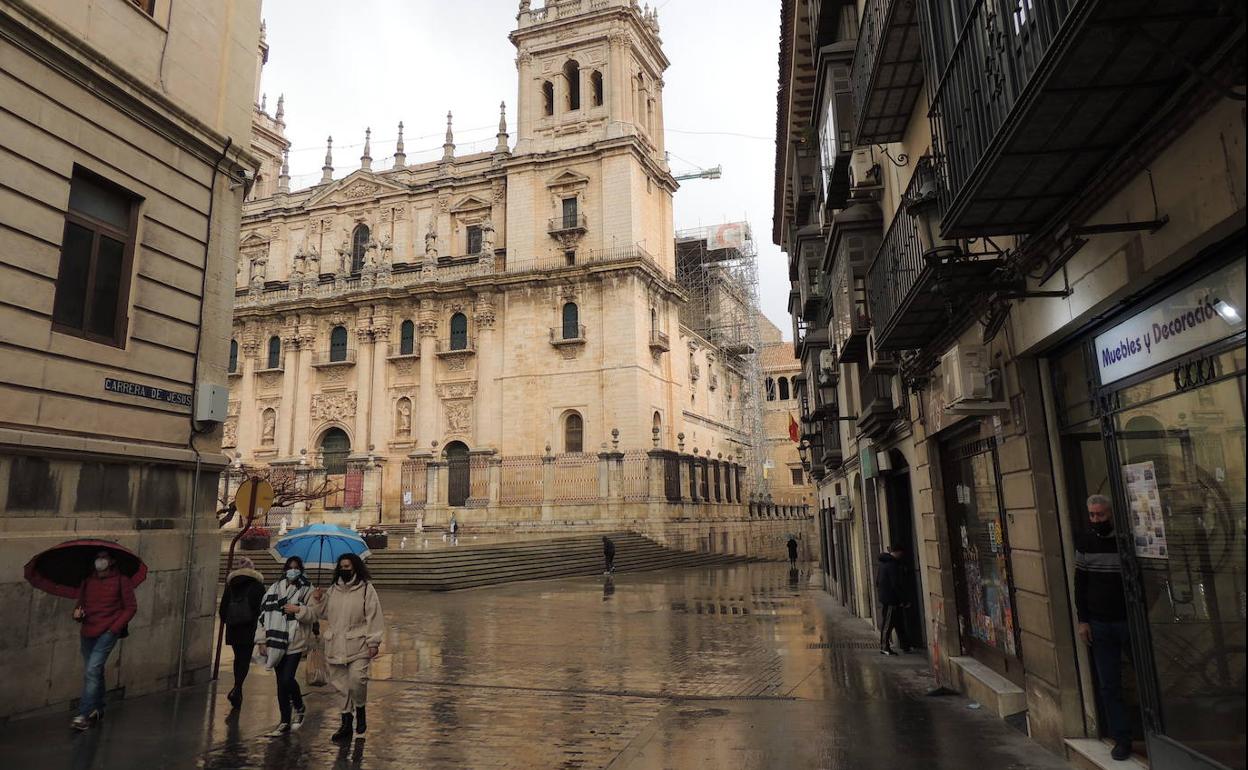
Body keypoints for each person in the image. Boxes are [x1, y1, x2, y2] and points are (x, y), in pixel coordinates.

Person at [302, 553, 384, 743]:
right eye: (342, 566)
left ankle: (361, 711)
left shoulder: (366, 589)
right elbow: (318, 613)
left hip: (359, 643)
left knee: (357, 680)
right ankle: (346, 722)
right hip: (334, 644)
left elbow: (374, 615)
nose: (344, 569)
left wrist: (374, 641)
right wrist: (317, 598)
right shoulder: (332, 590)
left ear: (355, 567)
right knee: (340, 687)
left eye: (348, 566)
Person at [1075, 494, 1133, 761]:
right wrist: (1083, 620)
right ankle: (1122, 739)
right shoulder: (1086, 543)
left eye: (1101, 515)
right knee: (1109, 684)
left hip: (1129, 621)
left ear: (1111, 513)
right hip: (1099, 623)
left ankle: (1159, 730)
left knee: (1144, 677)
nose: (1096, 520)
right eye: (1092, 516)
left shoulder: (1125, 541)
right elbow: (1080, 584)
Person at [70, 550, 137, 730]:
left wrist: (114, 628)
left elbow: (130, 607)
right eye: (97, 557)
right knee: (94, 671)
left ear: (111, 561)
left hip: (108, 631)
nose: (100, 561)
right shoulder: (88, 581)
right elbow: (80, 605)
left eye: (104, 557)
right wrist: (77, 615)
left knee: (92, 670)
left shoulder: (122, 581)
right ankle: (98, 708)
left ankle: (83, 714)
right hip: (88, 630)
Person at [255, 556, 315, 736]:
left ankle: (299, 705)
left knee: (287, 678)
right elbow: (263, 614)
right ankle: (284, 721)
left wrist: (298, 610)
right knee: (280, 683)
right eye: (290, 567)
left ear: (301, 570)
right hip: (275, 640)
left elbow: (313, 615)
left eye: (296, 568)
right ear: (285, 569)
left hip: (295, 641)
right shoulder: (274, 588)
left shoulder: (308, 590)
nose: (293, 570)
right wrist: (261, 640)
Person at [217, 555, 265, 708]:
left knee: (238, 658)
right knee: (244, 658)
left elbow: (223, 609)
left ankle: (237, 688)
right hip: (249, 628)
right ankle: (237, 688)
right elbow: (262, 609)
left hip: (233, 628)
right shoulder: (257, 586)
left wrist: (229, 620)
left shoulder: (231, 585)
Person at [876, 544, 911, 655]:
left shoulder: (883, 564)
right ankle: (884, 647)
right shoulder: (892, 565)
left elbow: (878, 581)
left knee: (898, 622)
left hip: (888, 597)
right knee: (888, 623)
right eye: (901, 553)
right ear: (898, 552)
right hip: (890, 599)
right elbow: (895, 584)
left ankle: (905, 645)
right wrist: (903, 599)